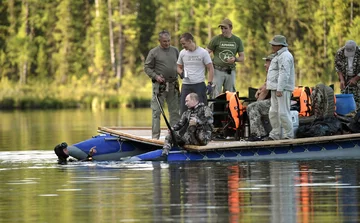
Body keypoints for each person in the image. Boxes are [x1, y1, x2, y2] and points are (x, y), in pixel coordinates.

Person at [144, 30, 181, 139]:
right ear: (159, 40)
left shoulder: (175, 51)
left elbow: (180, 65)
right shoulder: (154, 52)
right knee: (156, 112)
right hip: (160, 86)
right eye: (164, 41)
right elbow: (147, 67)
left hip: (173, 84)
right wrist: (156, 76)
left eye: (169, 41)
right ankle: (155, 137)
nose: (167, 43)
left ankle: (174, 136)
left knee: (174, 112)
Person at [264, 35, 295, 140]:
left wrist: (280, 88)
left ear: (280, 45)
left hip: (282, 89)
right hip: (275, 88)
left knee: (283, 112)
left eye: (274, 44)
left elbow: (284, 73)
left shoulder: (285, 56)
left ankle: (288, 135)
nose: (272, 46)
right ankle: (275, 134)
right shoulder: (278, 55)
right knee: (273, 112)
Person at [177, 32, 214, 114]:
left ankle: (201, 126)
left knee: (201, 111)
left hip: (199, 85)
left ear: (190, 41)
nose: (183, 46)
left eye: (184, 44)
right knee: (184, 110)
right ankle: (184, 126)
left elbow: (210, 68)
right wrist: (181, 73)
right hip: (186, 85)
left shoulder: (203, 52)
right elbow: (178, 67)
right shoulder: (182, 53)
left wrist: (209, 83)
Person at [206, 18, 244, 96]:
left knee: (230, 94)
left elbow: (242, 57)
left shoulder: (237, 40)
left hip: (230, 71)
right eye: (222, 28)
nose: (223, 31)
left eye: (225, 28)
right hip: (217, 70)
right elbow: (205, 53)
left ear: (231, 28)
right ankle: (213, 108)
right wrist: (209, 63)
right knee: (214, 93)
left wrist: (235, 59)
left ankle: (229, 108)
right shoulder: (216, 39)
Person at [247, 54, 274, 141]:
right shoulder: (270, 74)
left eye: (267, 62)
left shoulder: (273, 74)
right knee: (252, 107)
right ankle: (262, 133)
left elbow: (265, 91)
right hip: (272, 101)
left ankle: (256, 134)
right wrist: (259, 90)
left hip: (275, 102)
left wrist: (257, 101)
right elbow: (264, 87)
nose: (265, 64)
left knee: (252, 107)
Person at [335, 40, 360, 112]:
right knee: (345, 97)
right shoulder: (340, 53)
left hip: (358, 77)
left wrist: (356, 78)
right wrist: (342, 79)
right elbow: (337, 67)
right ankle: (346, 115)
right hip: (345, 77)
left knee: (357, 99)